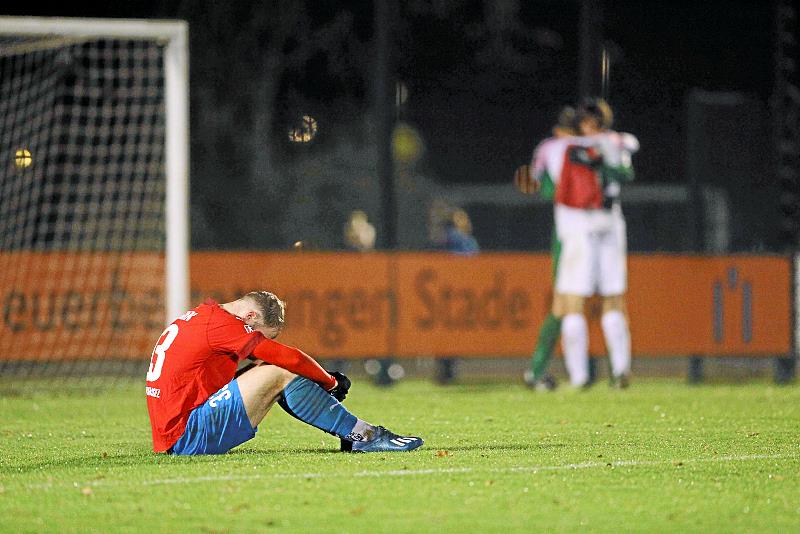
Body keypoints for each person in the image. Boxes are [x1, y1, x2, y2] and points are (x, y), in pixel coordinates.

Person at [145, 290, 424, 454]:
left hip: (178, 430)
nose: (258, 342)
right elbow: (287, 357)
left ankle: (350, 436)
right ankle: (365, 436)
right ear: (250, 318)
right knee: (279, 370)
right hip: (187, 436)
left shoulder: (203, 316)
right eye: (260, 336)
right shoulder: (223, 325)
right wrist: (329, 381)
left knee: (269, 369)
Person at [540, 98, 638, 388]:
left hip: (585, 229)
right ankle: (600, 372)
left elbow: (551, 188)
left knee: (585, 302)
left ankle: (601, 373)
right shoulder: (615, 143)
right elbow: (627, 170)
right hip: (603, 226)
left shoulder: (564, 149)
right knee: (601, 301)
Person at [516, 105, 578, 391]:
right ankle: (540, 370)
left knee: (571, 304)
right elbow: (543, 186)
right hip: (581, 233)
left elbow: (535, 184)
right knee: (568, 304)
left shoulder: (552, 147)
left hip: (572, 232)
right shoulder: (562, 148)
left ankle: (544, 370)